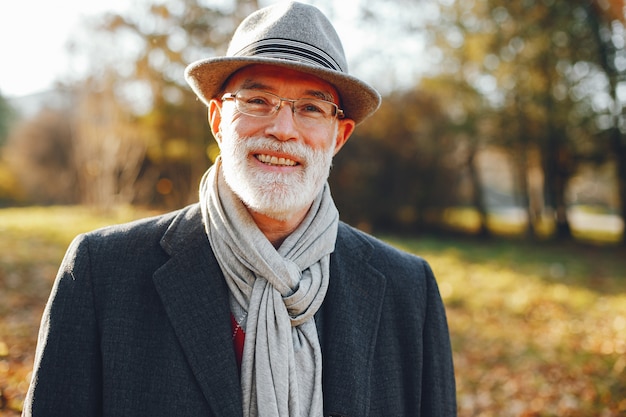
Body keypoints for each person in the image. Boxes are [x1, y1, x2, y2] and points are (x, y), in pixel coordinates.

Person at [23, 2, 456, 417]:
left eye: (310, 108)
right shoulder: (103, 274)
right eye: (257, 101)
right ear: (217, 121)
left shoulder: (408, 292)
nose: (283, 129)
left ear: (338, 136)